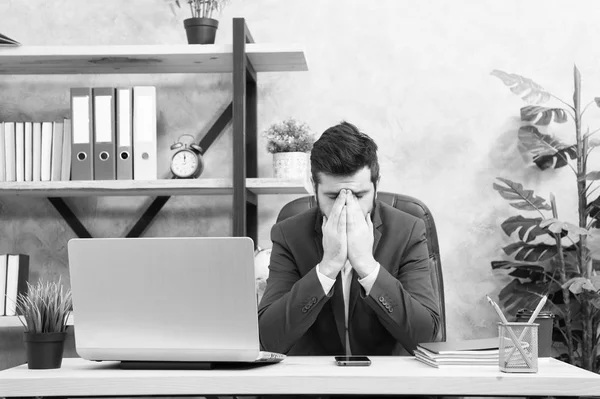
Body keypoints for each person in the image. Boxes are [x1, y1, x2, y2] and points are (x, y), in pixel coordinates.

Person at [258, 121, 441, 357]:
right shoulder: (289, 234)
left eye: (359, 195)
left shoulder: (408, 231)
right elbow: (268, 340)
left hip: (388, 384)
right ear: (314, 187)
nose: (346, 205)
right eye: (333, 196)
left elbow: (425, 339)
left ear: (376, 185)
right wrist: (327, 267)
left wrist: (367, 266)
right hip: (312, 387)